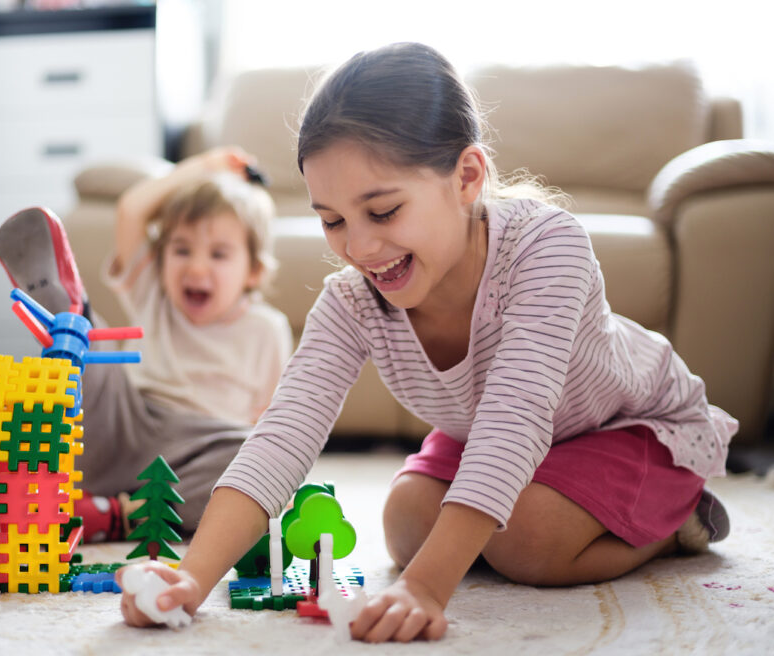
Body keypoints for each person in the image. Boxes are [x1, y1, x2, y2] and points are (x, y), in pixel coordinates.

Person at [116, 42, 737, 641]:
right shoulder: (351, 300)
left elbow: (515, 417)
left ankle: (678, 518)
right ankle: (551, 513)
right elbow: (283, 434)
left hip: (624, 425)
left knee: (529, 542)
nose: (359, 248)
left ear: (466, 176)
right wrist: (192, 576)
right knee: (407, 522)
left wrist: (425, 589)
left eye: (383, 211)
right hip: (487, 432)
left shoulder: (548, 246)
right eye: (332, 220)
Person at [0, 147, 293, 540]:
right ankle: (64, 314)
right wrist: (205, 166)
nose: (196, 267)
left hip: (200, 450)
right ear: (161, 257)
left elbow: (273, 419)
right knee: (91, 351)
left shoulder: (268, 328)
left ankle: (116, 514)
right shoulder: (154, 294)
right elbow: (132, 210)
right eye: (181, 250)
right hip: (127, 421)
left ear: (253, 270)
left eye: (218, 254)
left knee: (266, 468)